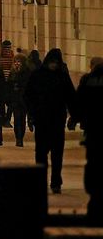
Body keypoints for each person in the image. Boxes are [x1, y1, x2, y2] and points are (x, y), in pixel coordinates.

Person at [24, 47, 77, 194]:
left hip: (57, 120)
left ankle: (55, 182)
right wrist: (32, 114)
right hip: (42, 120)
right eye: (52, 62)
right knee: (41, 153)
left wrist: (74, 116)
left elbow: (71, 98)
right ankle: (41, 180)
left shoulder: (62, 77)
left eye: (56, 62)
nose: (54, 65)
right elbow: (28, 96)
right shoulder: (38, 75)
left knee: (56, 154)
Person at [73, 57, 103, 222]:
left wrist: (76, 118)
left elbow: (79, 101)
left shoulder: (87, 80)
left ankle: (94, 199)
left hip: (93, 131)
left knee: (92, 163)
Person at [9, 50, 35, 147]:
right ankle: (18, 138)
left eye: (19, 61)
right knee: (17, 119)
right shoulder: (13, 71)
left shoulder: (27, 71)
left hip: (24, 99)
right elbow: (9, 85)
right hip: (15, 99)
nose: (17, 63)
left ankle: (21, 137)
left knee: (22, 119)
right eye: (15, 61)